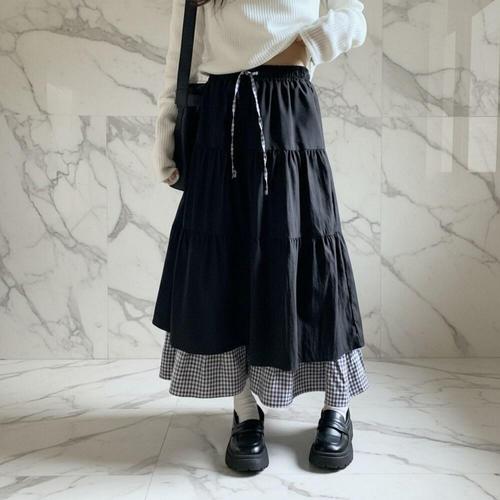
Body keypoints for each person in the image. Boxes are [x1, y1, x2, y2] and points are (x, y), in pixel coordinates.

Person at [151, 0, 369, 473]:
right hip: (221, 113)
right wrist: (166, 133)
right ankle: (246, 411)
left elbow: (353, 17)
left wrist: (305, 45)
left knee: (313, 252)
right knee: (229, 262)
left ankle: (338, 406)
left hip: (290, 104)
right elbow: (182, 51)